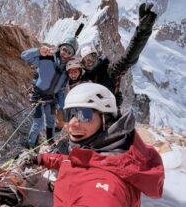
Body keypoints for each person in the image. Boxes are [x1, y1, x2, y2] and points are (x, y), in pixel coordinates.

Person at [21, 83, 164, 206]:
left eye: (85, 114)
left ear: (106, 120)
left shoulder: (104, 187)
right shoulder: (102, 154)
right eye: (69, 115)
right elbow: (71, 161)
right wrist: (40, 159)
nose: (72, 124)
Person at [80, 3, 157, 112]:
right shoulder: (83, 79)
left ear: (97, 57)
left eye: (91, 58)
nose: (89, 62)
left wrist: (142, 31)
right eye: (86, 61)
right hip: (91, 118)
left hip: (110, 116)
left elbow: (128, 57)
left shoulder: (110, 70)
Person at [21, 37, 78, 148]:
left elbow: (60, 91)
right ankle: (31, 145)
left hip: (51, 98)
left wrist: (62, 107)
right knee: (38, 122)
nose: (65, 54)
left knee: (51, 121)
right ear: (60, 48)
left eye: (69, 52)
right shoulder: (46, 58)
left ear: (71, 56)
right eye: (64, 49)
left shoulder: (66, 71)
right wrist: (38, 51)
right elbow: (24, 56)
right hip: (37, 96)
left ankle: (50, 142)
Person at [55, 56, 83, 132]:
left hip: (81, 115)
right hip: (67, 114)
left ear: (80, 72)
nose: (73, 75)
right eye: (71, 72)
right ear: (68, 73)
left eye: (75, 71)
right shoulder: (65, 86)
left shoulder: (85, 84)